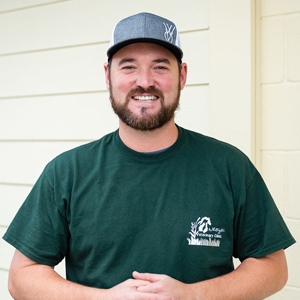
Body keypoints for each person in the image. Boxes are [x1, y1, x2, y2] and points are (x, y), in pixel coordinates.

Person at [3, 12, 295, 300]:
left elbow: (273, 267)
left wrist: (192, 295)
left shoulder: (229, 166)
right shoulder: (67, 171)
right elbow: (22, 276)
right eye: (128, 67)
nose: (144, 81)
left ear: (182, 76)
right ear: (108, 76)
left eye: (160, 67)